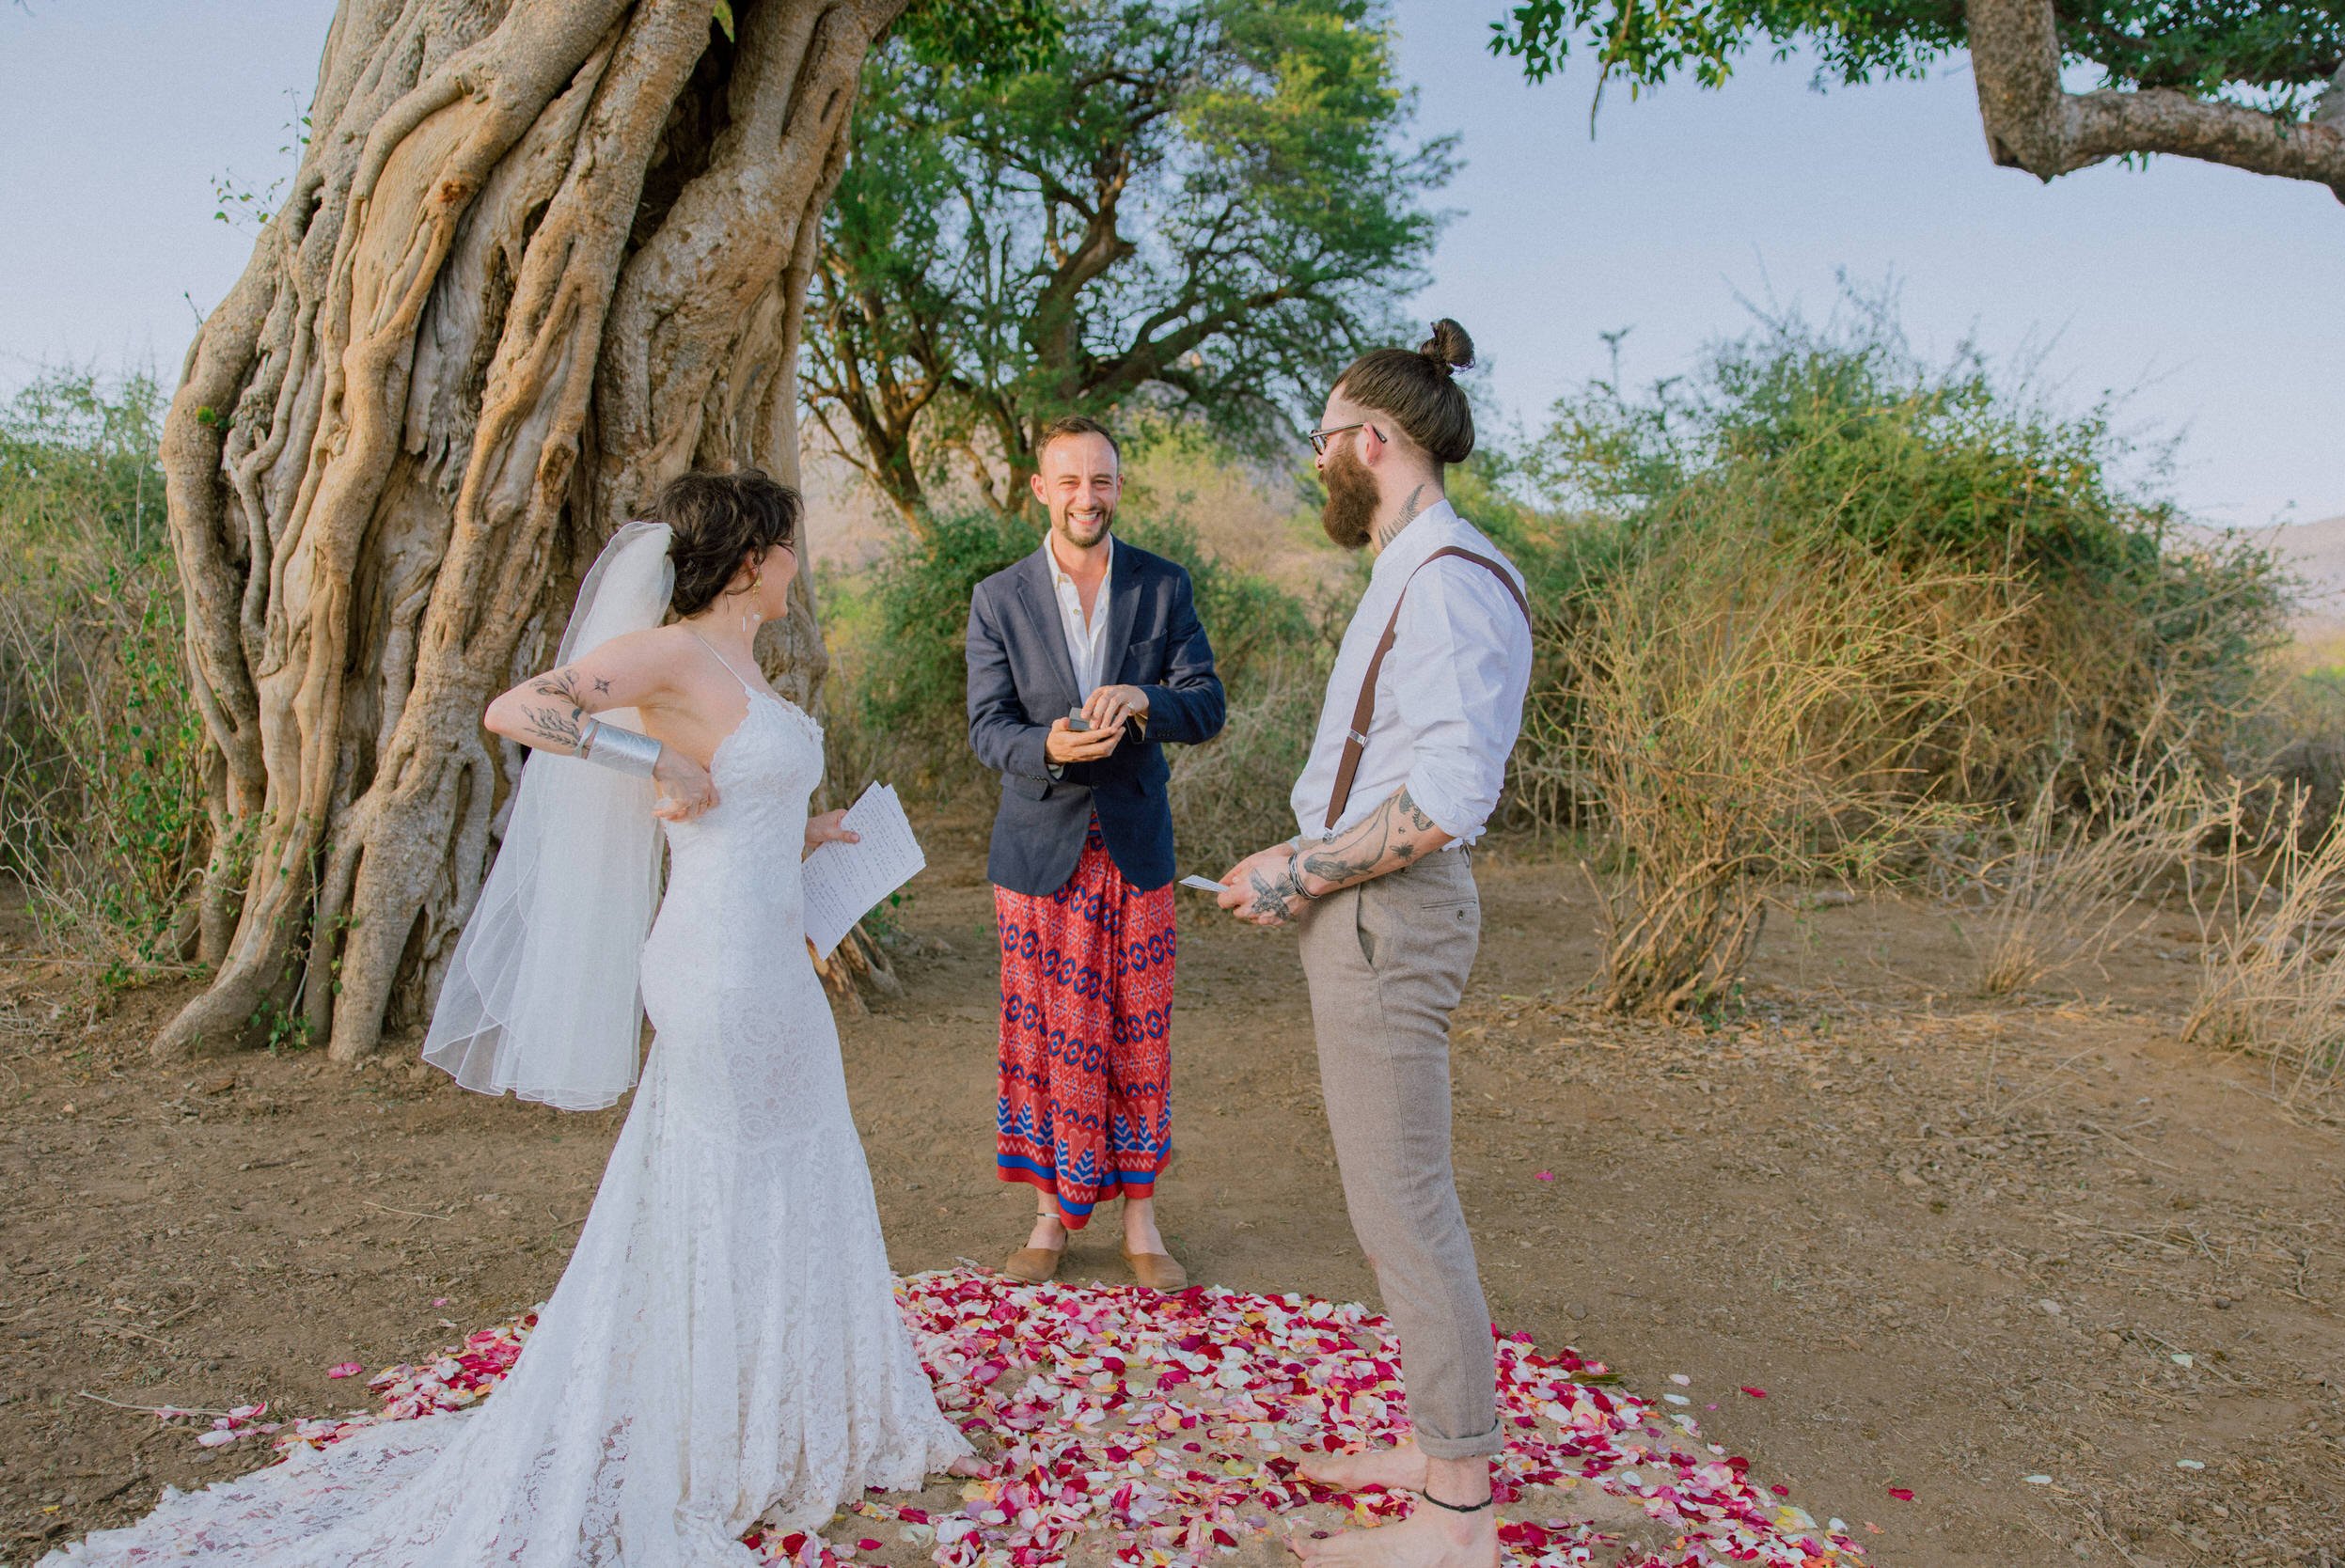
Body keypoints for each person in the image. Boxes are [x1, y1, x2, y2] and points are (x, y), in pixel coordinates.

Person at [48, 471, 976, 1568]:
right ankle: (726, 1429)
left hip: (772, 957)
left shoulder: (745, 663)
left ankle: (784, 1405)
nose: (795, 565)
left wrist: (810, 829)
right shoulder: (672, 651)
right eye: (787, 548)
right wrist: (653, 754)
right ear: (747, 558)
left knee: (796, 1164)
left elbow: (739, 803)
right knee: (734, 1172)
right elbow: (519, 708)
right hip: (717, 970)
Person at [1216, 321, 1533, 1568]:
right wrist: (1306, 876)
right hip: (1364, 914)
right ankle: (1437, 1443)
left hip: (1392, 922)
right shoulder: (1417, 566)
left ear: (1374, 440)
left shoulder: (1447, 575)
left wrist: (1301, 865)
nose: (1317, 463)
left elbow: (1450, 793)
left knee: (1405, 1205)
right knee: (1385, 1198)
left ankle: (1456, 1515)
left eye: (1324, 440)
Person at [965, 415, 1225, 1292]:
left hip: (1135, 848)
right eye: (1070, 481)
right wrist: (1047, 747)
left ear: (1119, 485)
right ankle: (1048, 1218)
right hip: (1037, 854)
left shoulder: (1164, 585)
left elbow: (1207, 705)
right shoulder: (998, 597)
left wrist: (1145, 701)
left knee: (1138, 1038)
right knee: (1043, 1039)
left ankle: (1141, 1225)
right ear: (1039, 488)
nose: (1088, 497)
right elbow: (986, 727)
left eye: (1103, 481)